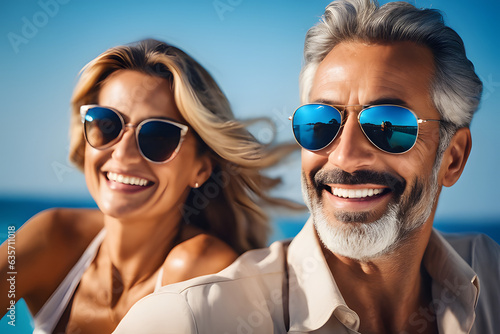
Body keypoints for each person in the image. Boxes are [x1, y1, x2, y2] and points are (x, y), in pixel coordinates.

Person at [113, 1, 500, 333]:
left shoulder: (492, 277)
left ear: (453, 157)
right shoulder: (188, 320)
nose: (345, 155)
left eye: (389, 126)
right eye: (322, 123)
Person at [0, 39, 299, 333]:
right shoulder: (53, 236)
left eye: (158, 136)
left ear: (201, 168)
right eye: (107, 124)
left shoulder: (198, 268)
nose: (123, 153)